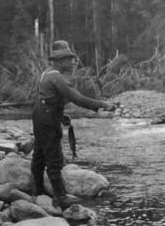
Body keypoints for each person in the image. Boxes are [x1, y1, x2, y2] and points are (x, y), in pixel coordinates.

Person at [31, 40, 116, 210]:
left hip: (41, 115)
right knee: (54, 158)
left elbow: (48, 99)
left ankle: (37, 190)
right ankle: (60, 198)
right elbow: (78, 99)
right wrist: (103, 105)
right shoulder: (57, 77)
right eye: (68, 58)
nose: (72, 61)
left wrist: (60, 115)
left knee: (40, 153)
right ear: (59, 61)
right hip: (47, 119)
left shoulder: (47, 73)